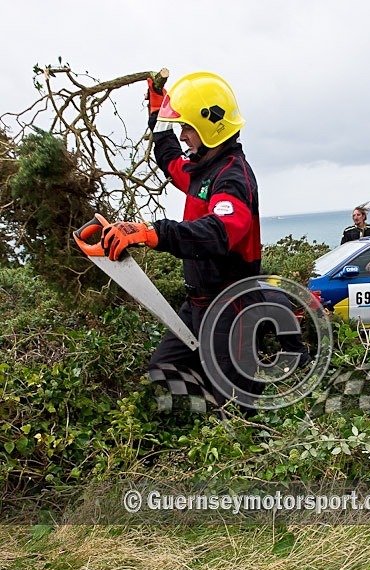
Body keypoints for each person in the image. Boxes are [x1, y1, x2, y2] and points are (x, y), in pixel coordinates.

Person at [99, 72, 265, 411]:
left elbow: (219, 232)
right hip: (197, 306)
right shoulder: (200, 169)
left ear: (210, 126)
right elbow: (168, 155)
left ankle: (241, 436)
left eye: (187, 127)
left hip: (231, 308)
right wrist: (159, 110)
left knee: (236, 405)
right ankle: (205, 426)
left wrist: (153, 233)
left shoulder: (233, 177)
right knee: (164, 370)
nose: (183, 135)